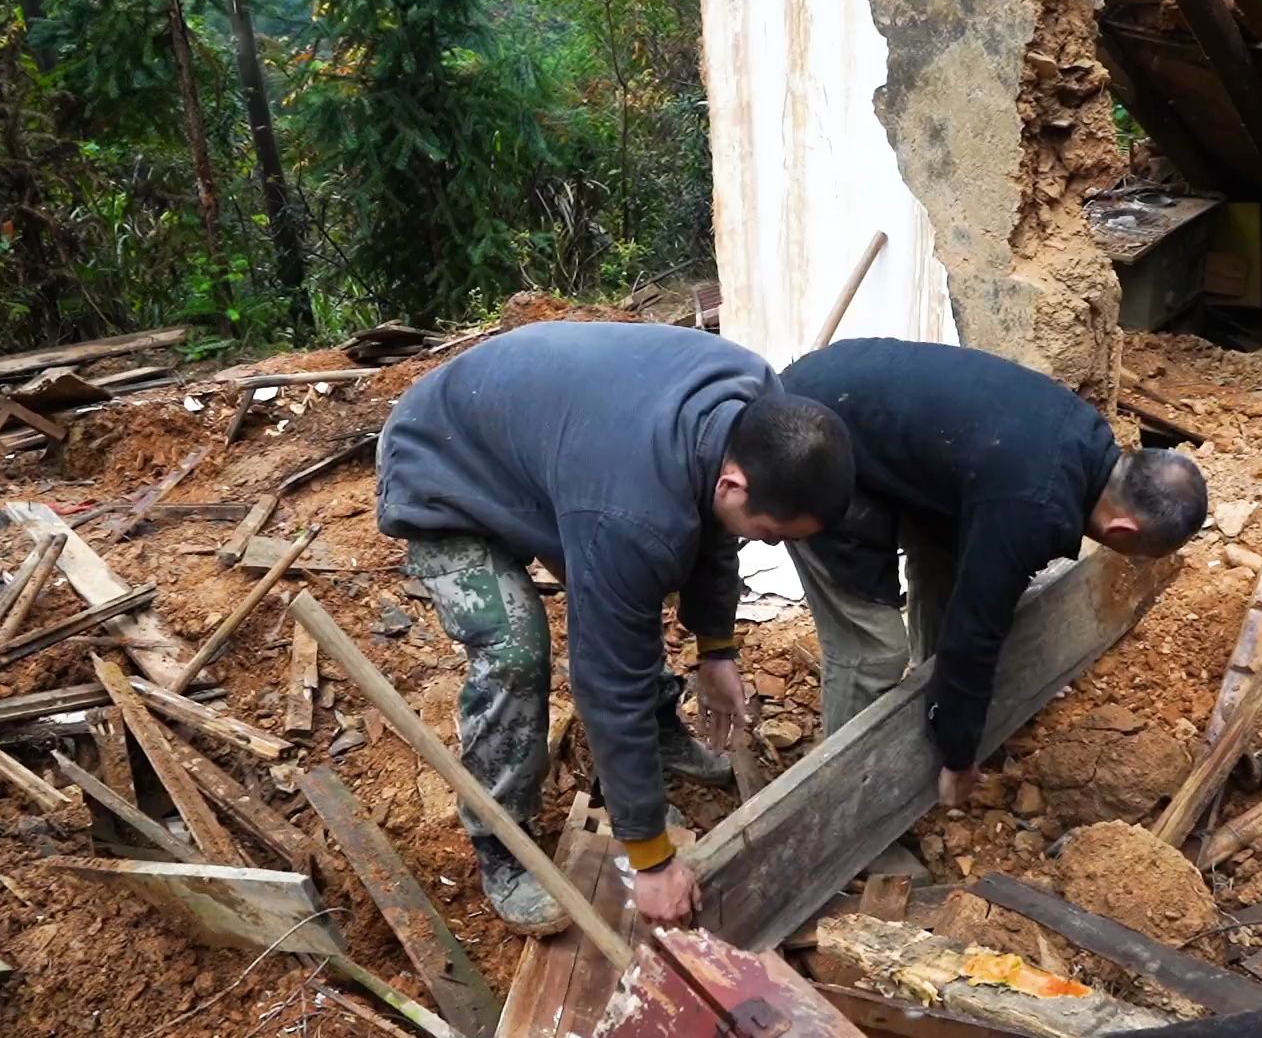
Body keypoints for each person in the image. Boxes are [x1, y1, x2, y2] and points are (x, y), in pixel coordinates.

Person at [376, 321, 854, 934]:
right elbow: (604, 678)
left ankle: (657, 730)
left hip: (552, 454)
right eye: (770, 534)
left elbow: (714, 530)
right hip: (443, 461)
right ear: (734, 483)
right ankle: (502, 847)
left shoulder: (755, 404)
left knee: (637, 568)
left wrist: (716, 652)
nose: (768, 546)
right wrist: (650, 859)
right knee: (516, 650)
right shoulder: (629, 513)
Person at [781, 338, 1206, 806]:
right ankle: (846, 809)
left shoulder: (1088, 444)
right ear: (1123, 529)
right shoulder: (1034, 505)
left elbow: (972, 605)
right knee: (873, 648)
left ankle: (925, 725)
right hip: (806, 442)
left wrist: (952, 718)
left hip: (866, 410)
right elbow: (975, 635)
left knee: (951, 569)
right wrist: (960, 757)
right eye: (1136, 553)